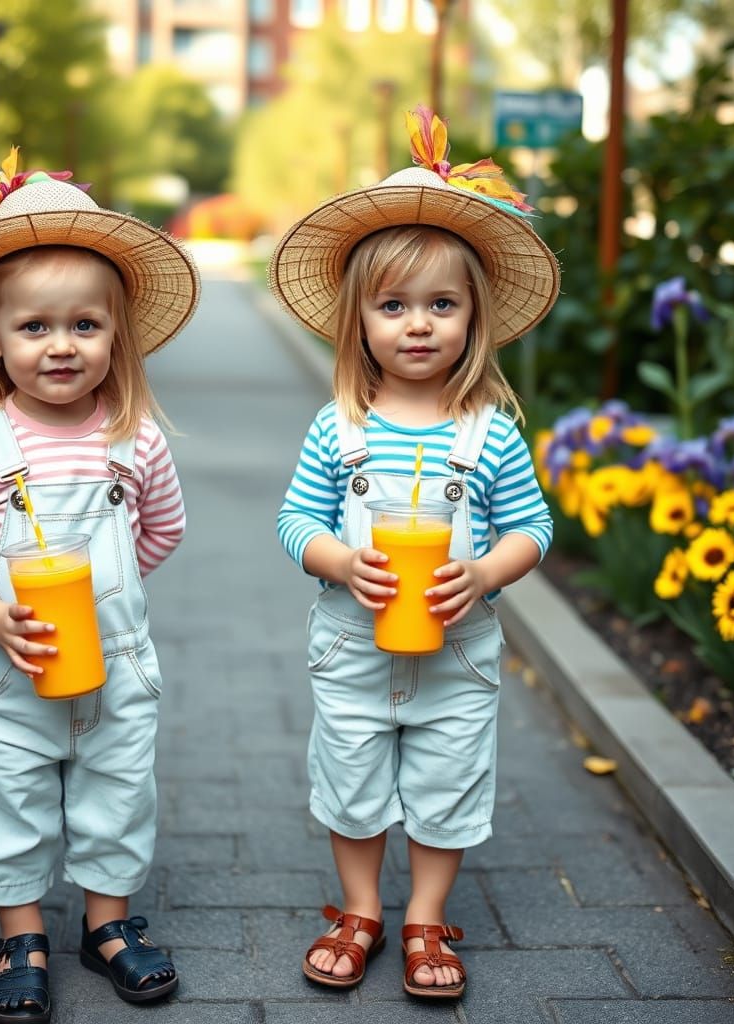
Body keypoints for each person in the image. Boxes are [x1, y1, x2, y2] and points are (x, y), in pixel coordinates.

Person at [0, 134, 199, 1023]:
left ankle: (108, 925)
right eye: (35, 328)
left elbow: (162, 530)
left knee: (116, 790)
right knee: (10, 794)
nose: (60, 346)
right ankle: (20, 931)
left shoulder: (133, 438)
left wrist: (112, 601)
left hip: (113, 664)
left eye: (84, 325)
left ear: (117, 333)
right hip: (10, 669)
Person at [271, 107, 559, 999]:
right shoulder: (340, 428)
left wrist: (484, 572)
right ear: (358, 321)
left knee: (445, 785)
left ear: (475, 318)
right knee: (352, 780)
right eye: (393, 306)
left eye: (443, 304)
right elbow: (295, 521)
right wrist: (334, 561)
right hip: (356, 646)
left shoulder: (491, 433)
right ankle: (359, 906)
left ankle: (425, 914)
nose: (419, 325)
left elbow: (533, 528)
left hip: (456, 651)